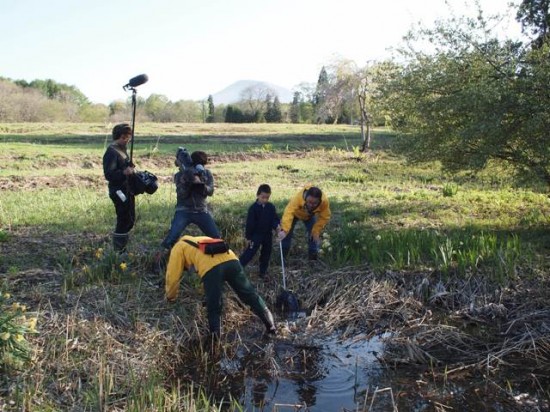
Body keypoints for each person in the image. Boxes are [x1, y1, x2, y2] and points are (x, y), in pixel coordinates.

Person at [165, 235, 277, 338]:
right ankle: (271, 326)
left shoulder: (177, 248)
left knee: (214, 305)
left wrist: (171, 297)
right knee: (249, 294)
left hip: (212, 268)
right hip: (232, 260)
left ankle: (215, 341)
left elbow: (173, 275)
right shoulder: (198, 239)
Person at [156, 150, 220, 267]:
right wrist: (188, 183)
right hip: (184, 210)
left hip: (201, 210)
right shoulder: (180, 175)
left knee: (216, 237)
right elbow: (181, 195)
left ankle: (213, 261)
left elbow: (210, 191)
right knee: (172, 238)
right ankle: (160, 263)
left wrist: (200, 184)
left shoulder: (206, 174)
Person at [102, 123, 136, 253]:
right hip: (118, 191)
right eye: (128, 137)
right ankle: (119, 251)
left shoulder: (122, 149)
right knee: (124, 219)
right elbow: (109, 174)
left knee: (130, 219)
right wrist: (124, 172)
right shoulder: (111, 152)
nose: (129, 140)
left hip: (128, 189)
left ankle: (123, 247)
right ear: (122, 136)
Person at [277, 185, 331, 261]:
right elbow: (288, 213)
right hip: (294, 214)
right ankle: (282, 257)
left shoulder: (324, 202)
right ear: (306, 198)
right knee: (286, 235)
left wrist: (316, 231)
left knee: (313, 235)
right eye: (309, 202)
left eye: (314, 203)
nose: (311, 205)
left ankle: (312, 258)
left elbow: (325, 217)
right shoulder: (298, 199)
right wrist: (285, 230)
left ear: (319, 201)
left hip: (309, 216)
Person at [239, 184, 280, 278]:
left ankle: (263, 271)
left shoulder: (271, 207)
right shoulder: (253, 209)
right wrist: (248, 237)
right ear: (258, 195)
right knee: (250, 252)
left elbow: (274, 218)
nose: (265, 199)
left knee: (266, 253)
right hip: (256, 235)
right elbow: (250, 224)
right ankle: (238, 268)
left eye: (267, 197)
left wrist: (276, 226)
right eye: (263, 197)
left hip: (267, 235)